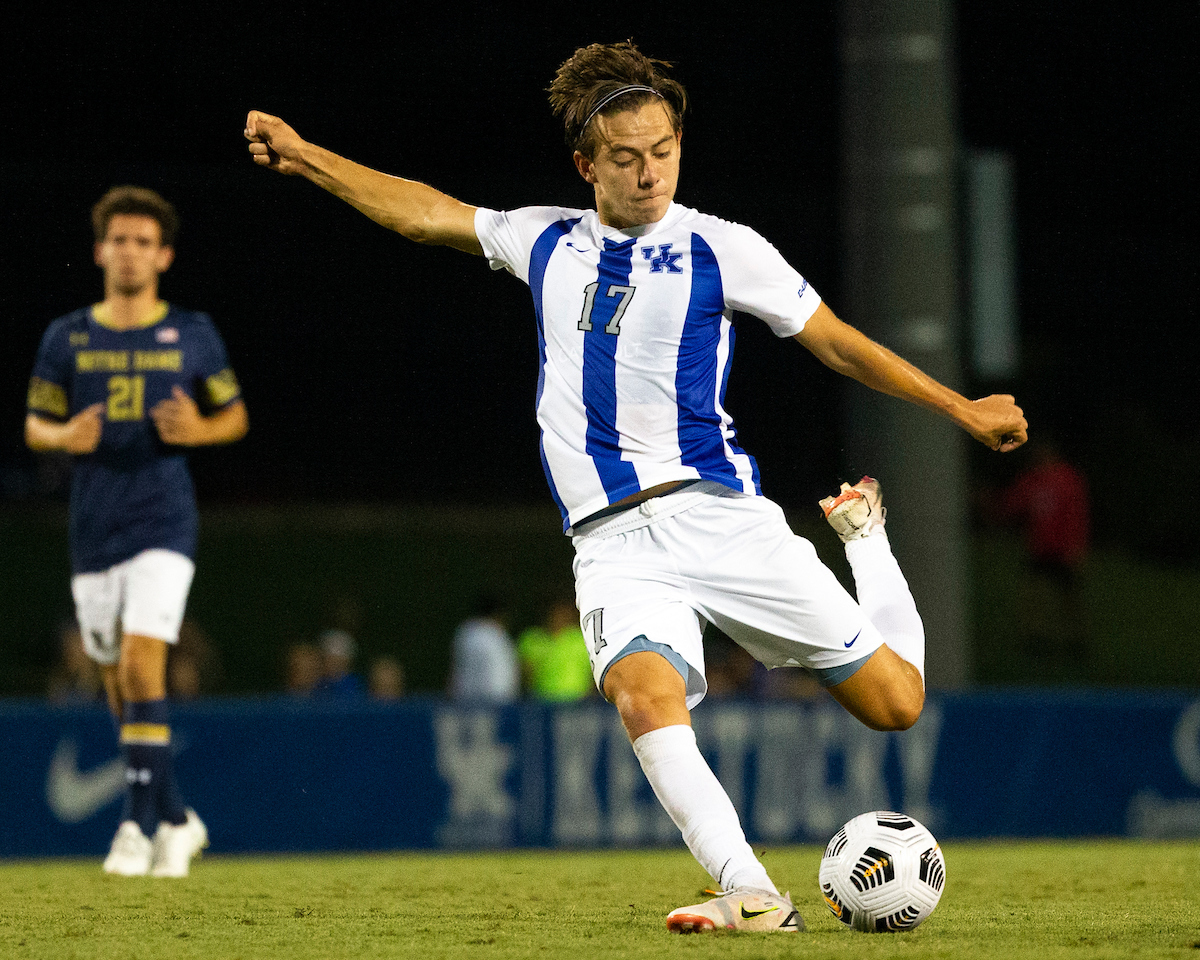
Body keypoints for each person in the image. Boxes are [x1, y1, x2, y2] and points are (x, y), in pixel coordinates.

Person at [244, 40, 1026, 932]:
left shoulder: (722, 248)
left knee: (897, 704)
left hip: (719, 515)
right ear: (587, 165)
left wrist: (961, 407)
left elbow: (837, 342)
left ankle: (866, 539)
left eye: (663, 150)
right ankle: (751, 892)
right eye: (625, 157)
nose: (650, 172)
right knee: (642, 696)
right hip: (611, 539)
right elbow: (424, 215)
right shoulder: (545, 240)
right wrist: (306, 155)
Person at [25, 186, 249, 877]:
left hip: (163, 518)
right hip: (94, 525)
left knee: (141, 664)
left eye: (143, 242)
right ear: (100, 251)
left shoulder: (192, 332)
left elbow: (235, 415)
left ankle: (133, 825)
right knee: (118, 683)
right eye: (119, 240)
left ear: (164, 256)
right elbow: (35, 426)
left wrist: (199, 429)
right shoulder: (67, 336)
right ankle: (177, 819)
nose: (129, 252)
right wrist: (64, 434)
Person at [517, 597, 595, 702]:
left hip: (577, 701)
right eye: (555, 613)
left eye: (563, 613)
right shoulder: (532, 639)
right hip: (541, 701)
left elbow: (594, 672)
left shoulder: (581, 639)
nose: (559, 617)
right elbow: (524, 674)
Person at [448, 595, 520, 702]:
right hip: (495, 699)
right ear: (498, 614)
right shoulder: (498, 636)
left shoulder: (466, 632)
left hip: (464, 698)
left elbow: (455, 669)